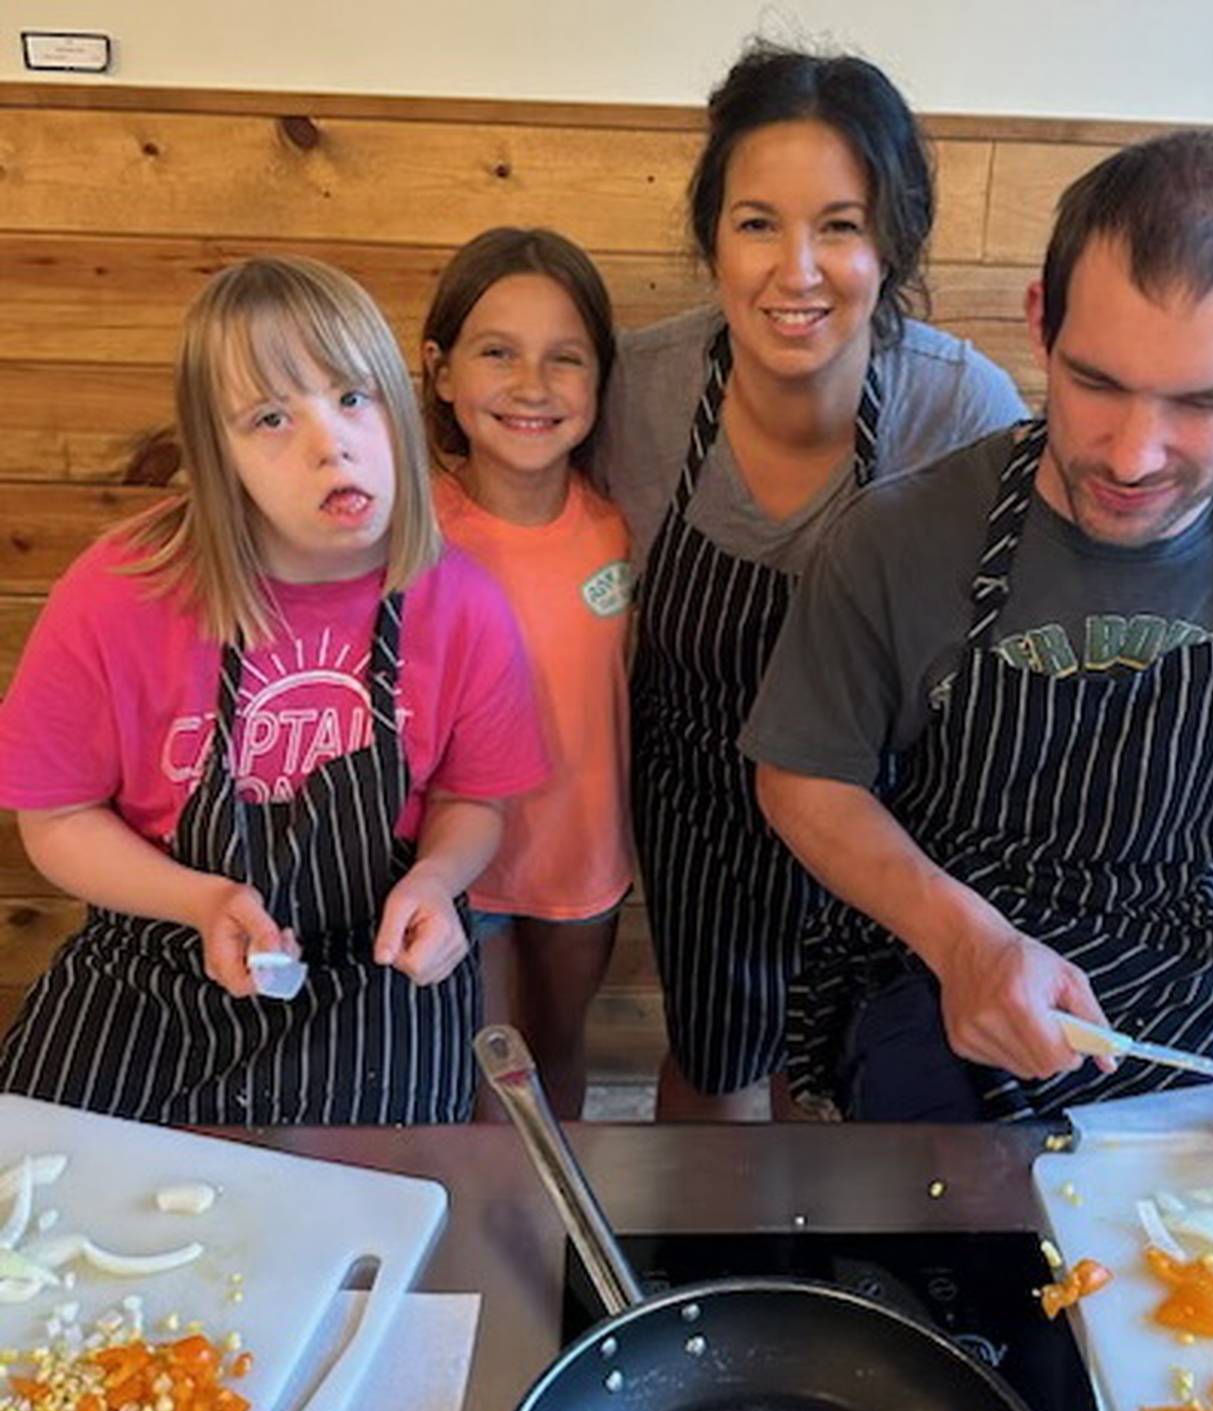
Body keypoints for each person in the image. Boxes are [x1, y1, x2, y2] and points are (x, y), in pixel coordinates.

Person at [745, 130, 1213, 1294]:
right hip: (926, 964)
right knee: (974, 1321)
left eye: (1204, 402)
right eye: (1097, 382)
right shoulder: (900, 540)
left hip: (1170, 978)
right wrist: (967, 939)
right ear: (1041, 323)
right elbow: (802, 780)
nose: (1132, 452)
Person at [0, 256, 548, 1126]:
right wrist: (202, 899)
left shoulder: (464, 604)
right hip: (156, 956)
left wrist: (440, 881)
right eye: (270, 418)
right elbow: (57, 818)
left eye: (352, 397)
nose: (329, 441)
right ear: (220, 459)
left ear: (400, 412)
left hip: (374, 972)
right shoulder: (115, 590)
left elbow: (475, 797)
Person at [592, 42, 1027, 1119]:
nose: (797, 270)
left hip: (884, 812)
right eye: (757, 224)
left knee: (835, 1076)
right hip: (699, 810)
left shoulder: (959, 408)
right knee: (713, 1068)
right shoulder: (635, 393)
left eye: (840, 225)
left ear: (893, 242)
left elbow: (1079, 521)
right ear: (711, 239)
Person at [422, 228, 631, 1120]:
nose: (532, 386)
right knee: (488, 1083)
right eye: (497, 352)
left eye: (564, 359)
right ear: (441, 371)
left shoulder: (623, 528)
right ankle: (492, 1251)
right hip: (454, 868)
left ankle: (556, 1245)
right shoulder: (409, 532)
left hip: (584, 862)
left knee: (558, 1057)